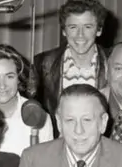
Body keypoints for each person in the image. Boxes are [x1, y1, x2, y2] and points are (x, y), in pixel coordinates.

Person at [34, 0, 109, 133]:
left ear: (99, 30)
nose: (80, 35)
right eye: (73, 27)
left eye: (88, 27)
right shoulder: (43, 63)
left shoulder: (113, 63)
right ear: (64, 30)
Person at [0, 44, 54, 156]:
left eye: (9, 76)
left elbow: (46, 166)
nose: (2, 85)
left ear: (19, 78)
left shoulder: (39, 117)